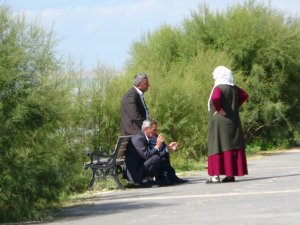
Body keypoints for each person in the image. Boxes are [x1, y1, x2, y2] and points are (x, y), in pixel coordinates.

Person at [206, 66, 249, 183]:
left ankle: (215, 176)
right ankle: (230, 175)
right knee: (230, 146)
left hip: (220, 121)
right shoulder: (234, 88)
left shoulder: (219, 88)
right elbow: (245, 95)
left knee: (217, 146)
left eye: (215, 75)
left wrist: (219, 109)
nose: (213, 77)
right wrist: (233, 108)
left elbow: (215, 98)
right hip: (233, 121)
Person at [124, 119, 188, 185]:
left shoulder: (144, 137)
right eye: (154, 130)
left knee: (159, 156)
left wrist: (167, 149)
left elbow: (152, 153)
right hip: (135, 174)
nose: (155, 132)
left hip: (140, 168)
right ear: (146, 129)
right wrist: (157, 146)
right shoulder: (139, 139)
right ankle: (152, 179)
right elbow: (147, 156)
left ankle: (164, 177)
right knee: (156, 158)